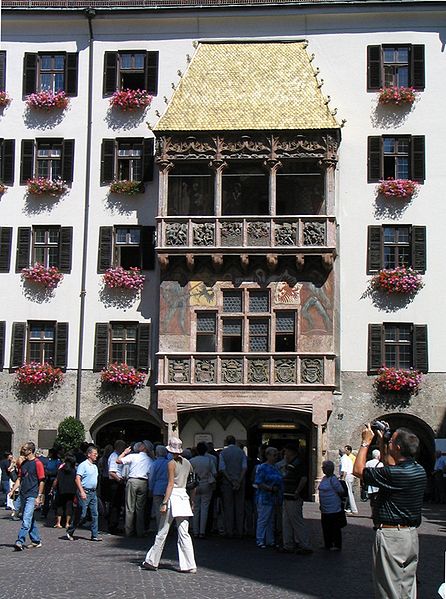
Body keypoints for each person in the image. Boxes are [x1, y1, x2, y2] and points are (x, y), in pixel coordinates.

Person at [353, 424, 427, 599]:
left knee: (389, 590)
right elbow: (389, 463)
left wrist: (365, 443)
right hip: (410, 536)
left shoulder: (395, 475)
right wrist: (382, 440)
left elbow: (358, 470)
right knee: (406, 588)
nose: (389, 442)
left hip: (392, 537)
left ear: (398, 448)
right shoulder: (418, 470)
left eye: (391, 441)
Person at [141, 437, 196, 573]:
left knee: (162, 531)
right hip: (184, 497)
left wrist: (164, 502)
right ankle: (190, 564)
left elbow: (170, 484)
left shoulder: (171, 463)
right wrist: (192, 501)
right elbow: (193, 484)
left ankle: (152, 561)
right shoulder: (188, 463)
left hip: (174, 497)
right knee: (184, 533)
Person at [9, 441, 45, 551]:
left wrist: (39, 496)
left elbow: (42, 480)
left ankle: (20, 540)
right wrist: (13, 490)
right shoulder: (24, 464)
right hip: (23, 494)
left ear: (30, 451)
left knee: (26, 519)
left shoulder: (38, 463)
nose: (22, 451)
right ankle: (36, 540)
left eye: (24, 449)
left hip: (32, 495)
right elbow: (20, 478)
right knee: (30, 518)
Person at [279, 443, 312, 555]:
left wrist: (297, 491)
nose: (285, 454)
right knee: (287, 521)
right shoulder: (291, 463)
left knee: (296, 521)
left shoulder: (298, 463)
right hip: (287, 495)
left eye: (286, 452)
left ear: (291, 452)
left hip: (293, 496)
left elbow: (303, 478)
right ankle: (288, 544)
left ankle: (305, 545)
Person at [66, 445, 102, 542]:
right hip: (85, 491)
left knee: (95, 514)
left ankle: (94, 535)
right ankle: (70, 530)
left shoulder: (95, 466)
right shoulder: (83, 465)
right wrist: (81, 491)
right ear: (89, 454)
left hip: (93, 492)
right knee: (82, 514)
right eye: (95, 454)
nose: (96, 456)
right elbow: (77, 479)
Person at [117, 441, 153, 537]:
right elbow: (151, 475)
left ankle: (129, 530)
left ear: (143, 448)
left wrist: (124, 452)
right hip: (144, 482)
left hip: (132, 481)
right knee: (140, 509)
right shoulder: (150, 460)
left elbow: (118, 460)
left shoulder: (134, 456)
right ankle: (140, 531)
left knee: (130, 507)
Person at [219, 435, 247, 538]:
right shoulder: (241, 452)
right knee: (239, 507)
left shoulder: (223, 453)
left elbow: (222, 469)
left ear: (226, 442)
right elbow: (244, 467)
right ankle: (240, 530)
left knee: (228, 507)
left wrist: (231, 480)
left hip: (227, 482)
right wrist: (239, 480)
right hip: (240, 482)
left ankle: (229, 530)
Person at [254, 447, 282, 549]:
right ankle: (260, 539)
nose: (275, 457)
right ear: (267, 455)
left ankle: (270, 540)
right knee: (263, 519)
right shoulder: (262, 467)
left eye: (276, 455)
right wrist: (270, 488)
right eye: (273, 455)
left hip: (273, 497)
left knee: (271, 520)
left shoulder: (276, 467)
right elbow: (259, 482)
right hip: (264, 497)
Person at [190, 441, 217, 538]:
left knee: (195, 508)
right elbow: (214, 473)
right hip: (206, 484)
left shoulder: (192, 461)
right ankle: (202, 531)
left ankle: (195, 530)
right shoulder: (209, 461)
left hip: (195, 485)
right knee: (205, 508)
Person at [318, 460, 345, 551]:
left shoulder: (333, 479)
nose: (322, 469)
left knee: (334, 527)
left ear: (329, 469)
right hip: (325, 509)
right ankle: (328, 544)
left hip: (334, 508)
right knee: (326, 527)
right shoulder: (324, 478)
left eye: (324, 467)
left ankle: (337, 545)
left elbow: (340, 491)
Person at [52, 454, 76, 529]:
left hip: (61, 490)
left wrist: (53, 488)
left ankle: (58, 523)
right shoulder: (74, 471)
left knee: (60, 505)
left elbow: (56, 480)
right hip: (71, 490)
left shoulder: (61, 470)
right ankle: (67, 523)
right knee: (69, 506)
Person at [108, 439, 126, 534]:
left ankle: (114, 524)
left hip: (117, 482)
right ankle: (112, 525)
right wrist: (120, 480)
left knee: (117, 505)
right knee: (115, 505)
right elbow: (111, 472)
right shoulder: (114, 456)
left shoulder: (116, 455)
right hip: (115, 483)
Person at [149, 445, 169, 530]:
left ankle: (160, 528)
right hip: (167, 487)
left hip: (157, 488)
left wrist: (150, 488)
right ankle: (167, 528)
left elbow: (151, 477)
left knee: (158, 510)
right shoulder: (169, 463)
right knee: (168, 509)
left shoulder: (154, 463)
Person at [340, 444, 358, 515]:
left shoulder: (344, 458)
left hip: (348, 475)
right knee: (349, 492)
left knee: (349, 493)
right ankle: (350, 508)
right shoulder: (347, 458)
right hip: (350, 475)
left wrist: (342, 478)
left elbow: (344, 470)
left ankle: (353, 509)